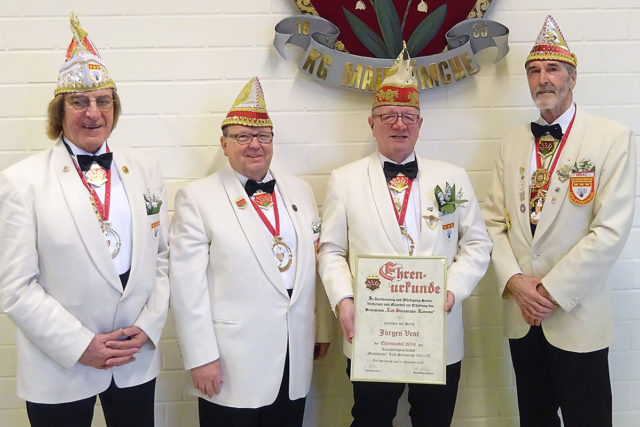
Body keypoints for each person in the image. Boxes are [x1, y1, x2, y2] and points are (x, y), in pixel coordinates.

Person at [0, 14, 170, 427]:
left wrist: (147, 328)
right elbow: (16, 287)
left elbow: (163, 260)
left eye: (103, 100)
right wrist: (82, 346)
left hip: (134, 360)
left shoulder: (146, 169)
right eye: (80, 101)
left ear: (115, 107)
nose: (93, 112)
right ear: (60, 111)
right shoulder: (20, 182)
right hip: (59, 365)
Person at [317, 44, 492, 427]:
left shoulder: (452, 177)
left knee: (434, 420)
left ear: (420, 124)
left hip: (438, 329)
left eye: (408, 116)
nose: (399, 124)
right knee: (370, 419)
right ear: (372, 122)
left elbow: (478, 244)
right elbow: (330, 250)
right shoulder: (343, 180)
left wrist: (452, 290)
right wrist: (343, 299)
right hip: (371, 330)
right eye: (389, 115)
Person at [483, 15, 636, 427]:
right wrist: (515, 282)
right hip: (522, 317)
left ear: (572, 77)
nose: (542, 79)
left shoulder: (612, 138)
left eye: (552, 69)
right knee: (534, 419)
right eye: (533, 71)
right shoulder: (512, 142)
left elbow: (610, 230)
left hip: (575, 314)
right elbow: (492, 223)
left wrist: (547, 291)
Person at [169, 76, 331, 427]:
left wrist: (320, 330)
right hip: (231, 363)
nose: (254, 145)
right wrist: (200, 357)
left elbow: (312, 266)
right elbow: (186, 288)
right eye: (242, 136)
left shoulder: (300, 191)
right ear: (224, 144)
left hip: (294, 354)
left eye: (262, 136)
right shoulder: (197, 199)